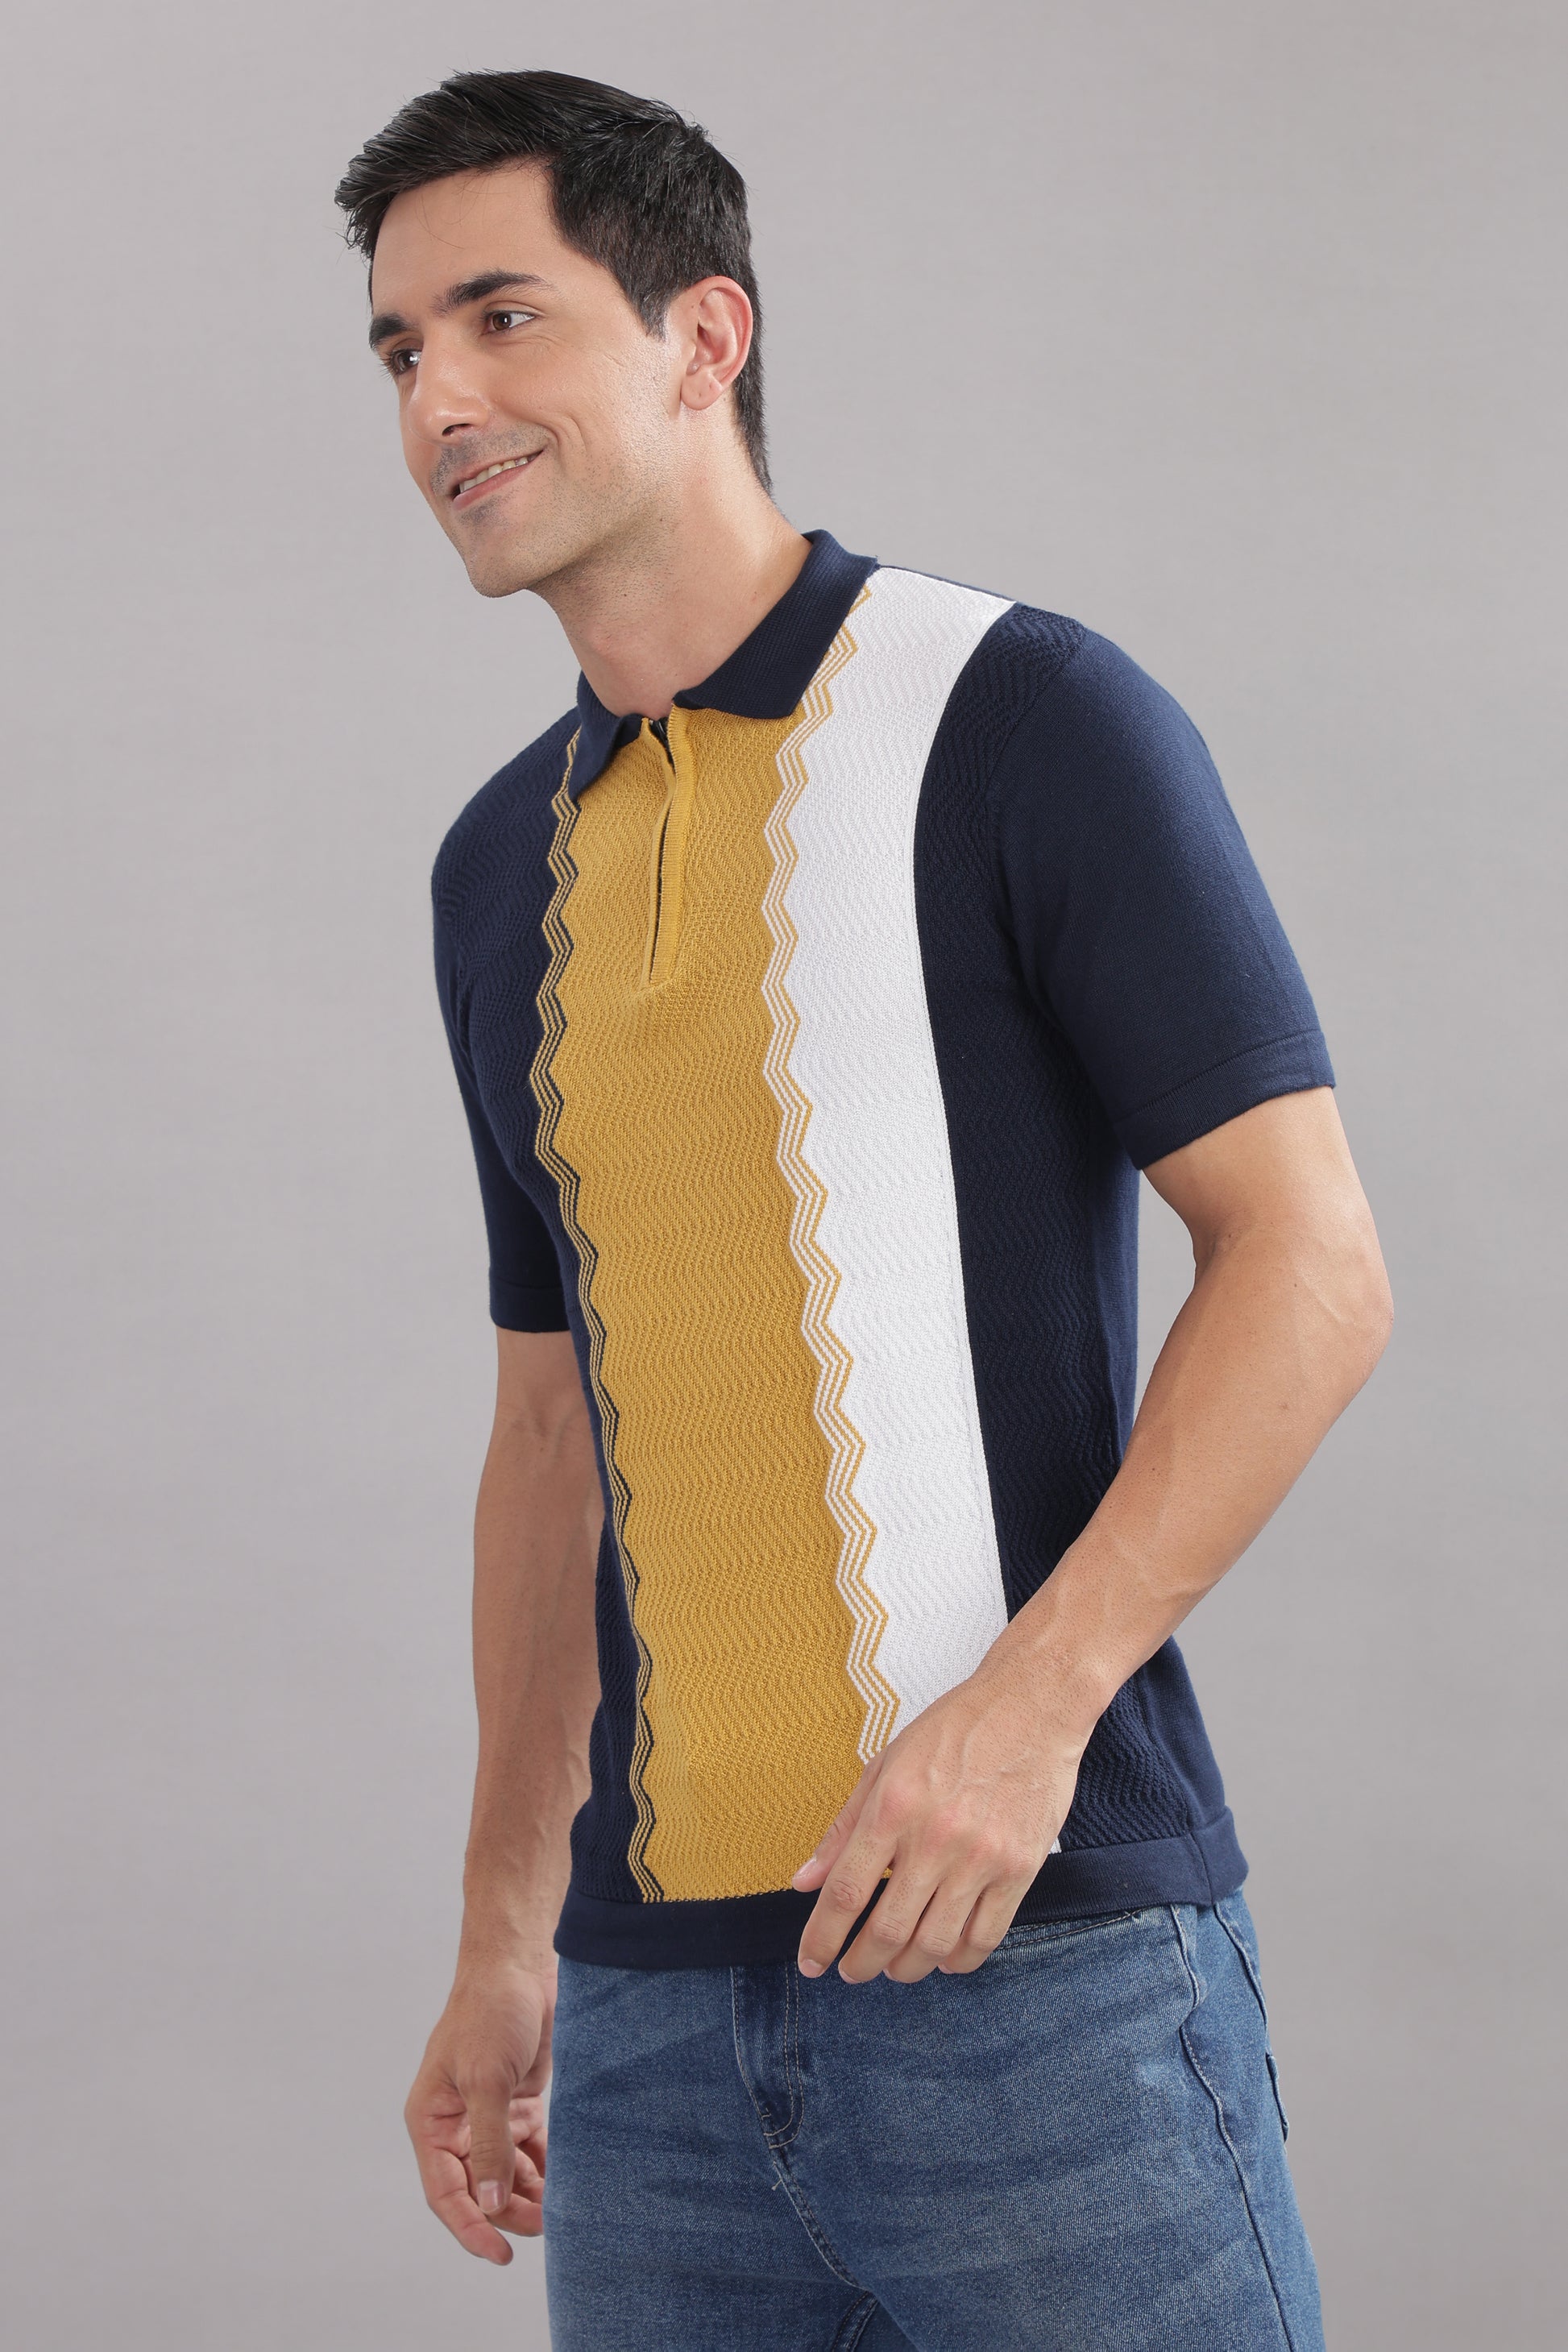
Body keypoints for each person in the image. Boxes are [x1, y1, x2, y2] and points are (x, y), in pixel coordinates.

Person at [335, 69, 1391, 2350]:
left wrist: (1029, 1712)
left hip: (1041, 1977)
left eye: (503, 318)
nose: (439, 403)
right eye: (402, 349)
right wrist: (503, 1933)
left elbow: (1311, 1263)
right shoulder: (494, 869)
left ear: (703, 335)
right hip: (648, 2040)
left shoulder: (1019, 716)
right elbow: (551, 1430)